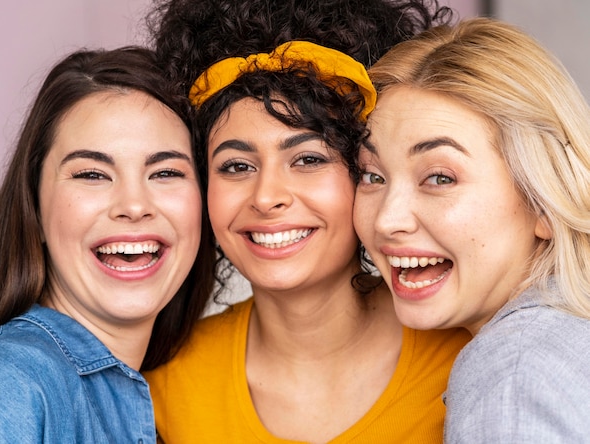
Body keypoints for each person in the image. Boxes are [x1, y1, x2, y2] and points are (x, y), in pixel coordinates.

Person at [144, 1, 470, 442]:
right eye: (237, 166)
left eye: (308, 158)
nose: (267, 197)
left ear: (368, 175)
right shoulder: (163, 387)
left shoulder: (467, 361)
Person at [354, 17, 590, 442]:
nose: (387, 220)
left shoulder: (513, 372)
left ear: (543, 203)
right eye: (372, 175)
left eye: (440, 178)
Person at [0, 46, 214, 442]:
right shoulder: (4, 384)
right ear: (35, 208)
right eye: (92, 174)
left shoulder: (170, 395)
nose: (134, 205)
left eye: (165, 171)